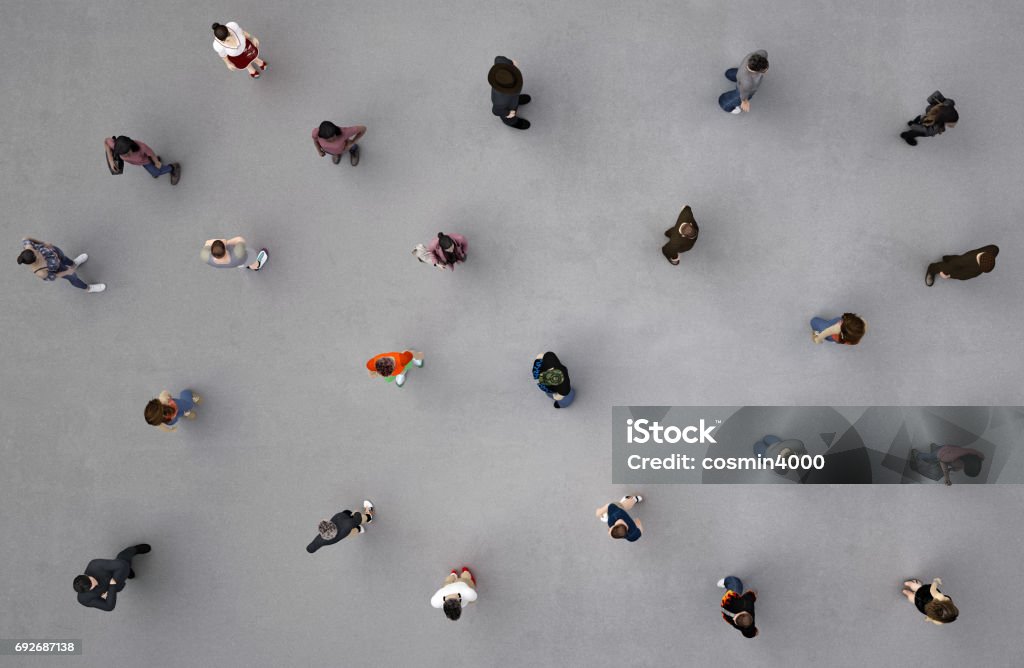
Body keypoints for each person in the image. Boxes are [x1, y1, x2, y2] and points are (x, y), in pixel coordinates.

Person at [73, 544, 151, 612]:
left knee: (123, 559)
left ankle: (134, 549)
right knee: (124, 571)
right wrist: (112, 587)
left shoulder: (95, 565)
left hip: (114, 573)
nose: (95, 582)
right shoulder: (84, 599)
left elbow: (121, 565)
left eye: (91, 579)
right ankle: (126, 573)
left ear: (86, 575)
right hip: (114, 586)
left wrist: (108, 593)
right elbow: (109, 607)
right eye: (93, 585)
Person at [18, 238, 105, 293]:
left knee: (64, 258)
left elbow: (26, 238)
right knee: (73, 277)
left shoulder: (29, 247)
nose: (38, 251)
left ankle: (74, 264)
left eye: (35, 250)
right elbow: (54, 276)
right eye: (37, 253)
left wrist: (43, 243)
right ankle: (88, 288)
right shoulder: (40, 272)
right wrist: (67, 271)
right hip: (59, 268)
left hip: (54, 252)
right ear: (34, 260)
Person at [104, 135, 180, 185]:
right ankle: (154, 164)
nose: (126, 156)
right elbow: (106, 141)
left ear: (131, 146)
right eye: (123, 155)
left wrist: (156, 162)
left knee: (156, 172)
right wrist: (111, 160)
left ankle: (173, 167)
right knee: (153, 170)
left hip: (145, 161)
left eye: (127, 153)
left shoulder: (142, 147)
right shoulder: (116, 146)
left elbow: (151, 154)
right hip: (138, 162)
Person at [306, 501, 375, 553]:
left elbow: (311, 548)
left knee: (350, 533)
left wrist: (309, 549)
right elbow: (357, 519)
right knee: (358, 520)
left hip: (344, 534)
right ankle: (369, 516)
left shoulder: (321, 540)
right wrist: (356, 513)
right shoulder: (347, 524)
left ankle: (359, 529)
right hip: (347, 521)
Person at [909, 443, 985, 485]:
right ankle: (917, 454)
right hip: (942, 452)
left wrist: (952, 469)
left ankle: (934, 447)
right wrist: (947, 477)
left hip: (951, 449)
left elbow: (981, 456)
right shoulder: (952, 458)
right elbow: (942, 461)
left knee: (937, 457)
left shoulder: (974, 456)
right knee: (930, 457)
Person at [925, 244, 998, 286]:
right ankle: (932, 268)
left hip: (964, 260)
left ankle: (947, 258)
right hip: (962, 264)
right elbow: (958, 271)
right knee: (949, 267)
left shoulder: (992, 250)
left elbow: (995, 248)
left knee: (957, 259)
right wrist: (947, 274)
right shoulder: (967, 260)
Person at [489, 56, 531, 130]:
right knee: (510, 116)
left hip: (513, 96)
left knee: (514, 98)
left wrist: (511, 63)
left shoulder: (500, 62)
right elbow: (496, 111)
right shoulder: (500, 101)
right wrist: (507, 114)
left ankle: (516, 100)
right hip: (508, 107)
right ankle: (512, 122)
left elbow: (498, 58)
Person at [200, 237, 268, 271]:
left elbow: (207, 242)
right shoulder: (238, 253)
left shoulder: (205, 256)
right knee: (252, 259)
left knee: (241, 265)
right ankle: (257, 266)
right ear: (225, 249)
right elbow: (240, 239)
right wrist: (226, 241)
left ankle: (246, 266)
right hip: (245, 258)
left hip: (236, 263)